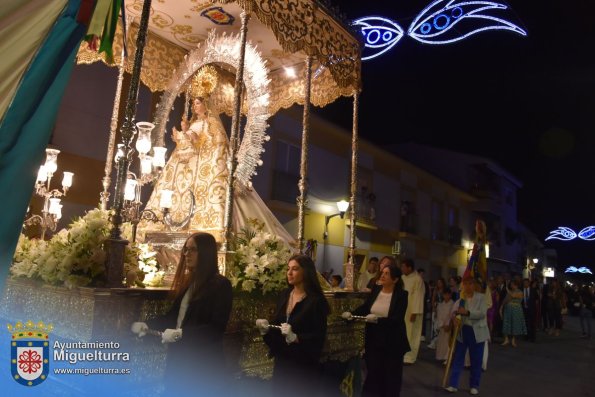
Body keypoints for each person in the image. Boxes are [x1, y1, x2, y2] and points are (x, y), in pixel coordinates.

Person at [142, 69, 294, 245]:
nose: (194, 106)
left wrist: (192, 137)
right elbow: (188, 144)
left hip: (204, 166)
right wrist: (181, 135)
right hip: (186, 167)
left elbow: (216, 143)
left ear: (206, 103)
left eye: (198, 103)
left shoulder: (211, 122)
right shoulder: (193, 122)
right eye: (193, 103)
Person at [131, 232, 232, 393]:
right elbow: (173, 317)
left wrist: (182, 334)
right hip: (179, 360)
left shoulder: (221, 285)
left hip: (203, 366)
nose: (186, 254)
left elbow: (216, 328)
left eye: (192, 250)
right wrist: (147, 324)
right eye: (185, 249)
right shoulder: (189, 282)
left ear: (205, 253)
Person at [256, 254, 330, 396]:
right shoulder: (285, 294)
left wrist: (296, 338)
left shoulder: (316, 301)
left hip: (303, 367)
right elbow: (279, 325)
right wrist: (266, 330)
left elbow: (319, 338)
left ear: (306, 272)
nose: (289, 273)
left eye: (295, 269)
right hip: (283, 363)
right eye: (288, 269)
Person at [342, 264, 410, 397]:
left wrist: (378, 320)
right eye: (382, 273)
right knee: (373, 373)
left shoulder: (402, 295)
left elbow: (397, 318)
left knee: (391, 377)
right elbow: (366, 307)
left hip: (393, 341)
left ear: (395, 279)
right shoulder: (377, 289)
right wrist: (351, 314)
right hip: (374, 339)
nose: (382, 275)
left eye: (387, 273)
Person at [445, 276, 489, 396]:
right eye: (466, 284)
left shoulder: (481, 297)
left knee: (476, 360)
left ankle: (474, 385)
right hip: (463, 331)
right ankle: (453, 384)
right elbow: (455, 311)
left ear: (474, 285)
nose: (468, 286)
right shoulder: (461, 299)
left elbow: (482, 313)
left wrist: (468, 313)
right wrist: (454, 318)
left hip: (477, 332)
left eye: (470, 284)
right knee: (458, 358)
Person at [401, 257, 425, 364]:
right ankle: (401, 354)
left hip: (412, 311)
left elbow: (418, 297)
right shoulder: (402, 278)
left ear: (409, 268)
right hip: (402, 311)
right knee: (402, 332)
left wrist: (415, 312)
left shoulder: (417, 279)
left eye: (403, 267)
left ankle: (410, 357)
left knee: (412, 333)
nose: (402, 269)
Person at [500, 279, 527, 347]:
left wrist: (506, 288)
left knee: (515, 324)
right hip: (508, 309)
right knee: (506, 323)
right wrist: (501, 307)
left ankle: (513, 340)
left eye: (512, 284)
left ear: (516, 284)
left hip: (516, 310)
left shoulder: (520, 292)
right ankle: (506, 339)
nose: (511, 285)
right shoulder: (510, 291)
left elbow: (513, 295)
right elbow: (505, 300)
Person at [435, 288, 454, 363]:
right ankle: (440, 356)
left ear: (450, 295)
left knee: (448, 343)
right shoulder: (440, 305)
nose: (446, 296)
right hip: (442, 326)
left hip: (449, 326)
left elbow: (451, 315)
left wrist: (448, 325)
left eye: (448, 294)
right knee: (441, 342)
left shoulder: (452, 304)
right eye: (444, 294)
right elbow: (439, 315)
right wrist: (442, 324)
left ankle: (447, 357)